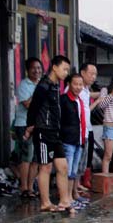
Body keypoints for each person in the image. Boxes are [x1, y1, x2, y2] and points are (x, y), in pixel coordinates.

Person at [24, 55, 72, 212]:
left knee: (63, 166)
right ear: (54, 67)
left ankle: (65, 201)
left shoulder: (56, 85)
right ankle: (45, 202)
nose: (66, 73)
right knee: (45, 167)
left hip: (55, 132)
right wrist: (30, 127)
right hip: (43, 131)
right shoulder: (43, 86)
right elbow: (33, 108)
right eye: (64, 69)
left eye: (67, 70)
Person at [14, 57, 42, 199]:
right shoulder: (23, 85)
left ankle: (31, 187)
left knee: (36, 158)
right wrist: (38, 93)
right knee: (26, 157)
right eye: (33, 68)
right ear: (27, 70)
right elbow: (27, 105)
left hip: (38, 125)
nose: (37, 71)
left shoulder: (42, 84)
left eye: (39, 68)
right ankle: (23, 187)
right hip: (24, 124)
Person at [60, 74, 87, 209]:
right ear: (69, 84)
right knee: (66, 171)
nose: (78, 87)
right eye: (75, 84)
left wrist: (82, 139)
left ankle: (70, 197)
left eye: (80, 84)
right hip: (67, 140)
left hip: (79, 140)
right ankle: (65, 199)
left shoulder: (80, 101)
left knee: (73, 172)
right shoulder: (64, 100)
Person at [78, 63, 99, 191]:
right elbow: (85, 111)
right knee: (79, 156)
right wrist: (97, 102)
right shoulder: (78, 90)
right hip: (79, 129)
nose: (93, 77)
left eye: (95, 74)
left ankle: (85, 180)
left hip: (88, 127)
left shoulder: (86, 90)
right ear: (82, 73)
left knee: (88, 155)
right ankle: (78, 183)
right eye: (91, 74)